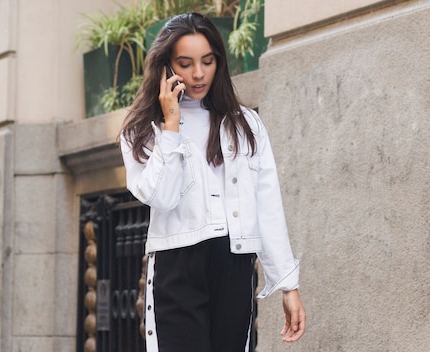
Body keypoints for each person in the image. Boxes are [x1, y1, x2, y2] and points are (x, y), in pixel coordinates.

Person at [119, 12, 305, 352]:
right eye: (185, 63)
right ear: (166, 66)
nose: (199, 73)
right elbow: (159, 197)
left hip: (234, 263)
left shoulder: (245, 124)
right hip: (177, 265)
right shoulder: (143, 130)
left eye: (207, 61)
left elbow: (268, 206)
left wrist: (288, 285)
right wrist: (171, 127)